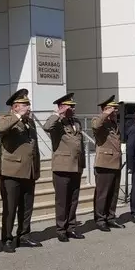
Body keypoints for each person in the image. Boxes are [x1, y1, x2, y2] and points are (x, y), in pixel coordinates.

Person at [0, 89, 42, 253]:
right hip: (12, 172)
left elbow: (33, 147)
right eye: (25, 104)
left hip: (28, 171)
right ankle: (7, 239)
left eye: (28, 104)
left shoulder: (30, 122)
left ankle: (24, 235)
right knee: (10, 208)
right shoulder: (5, 119)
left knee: (27, 206)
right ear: (15, 107)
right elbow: (1, 129)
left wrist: (36, 169)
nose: (28, 107)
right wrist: (17, 117)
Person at [44, 93, 85, 242]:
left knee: (74, 200)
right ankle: (61, 229)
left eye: (73, 106)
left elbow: (80, 144)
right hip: (62, 167)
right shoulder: (57, 122)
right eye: (70, 106)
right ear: (62, 107)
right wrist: (58, 113)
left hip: (76, 166)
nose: (73, 109)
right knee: (62, 200)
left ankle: (71, 228)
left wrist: (82, 164)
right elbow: (46, 127)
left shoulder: (76, 122)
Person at [91, 95, 125, 232]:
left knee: (113, 193)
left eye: (116, 110)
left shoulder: (114, 124)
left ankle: (110, 217)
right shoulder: (99, 121)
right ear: (106, 109)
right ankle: (100, 219)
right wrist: (105, 113)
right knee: (102, 194)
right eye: (113, 109)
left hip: (116, 162)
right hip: (104, 163)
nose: (115, 112)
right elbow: (95, 125)